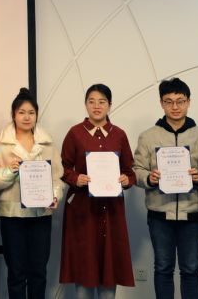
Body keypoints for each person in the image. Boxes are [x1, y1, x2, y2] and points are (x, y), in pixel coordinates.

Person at [59, 83, 136, 299]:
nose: (96, 106)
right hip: (82, 211)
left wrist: (126, 179)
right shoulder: (75, 133)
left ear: (110, 105)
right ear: (85, 104)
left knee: (110, 263)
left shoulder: (119, 135)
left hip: (111, 212)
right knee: (84, 264)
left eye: (102, 101)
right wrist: (76, 178)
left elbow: (130, 171)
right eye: (91, 101)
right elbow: (62, 168)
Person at [132, 78, 198, 299]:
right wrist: (149, 178)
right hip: (159, 213)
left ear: (189, 102)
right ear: (161, 103)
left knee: (190, 269)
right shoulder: (148, 136)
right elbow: (136, 170)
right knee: (163, 268)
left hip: (192, 213)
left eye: (180, 101)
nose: (175, 107)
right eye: (169, 101)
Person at [0, 87, 63, 299]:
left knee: (39, 272)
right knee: (16, 272)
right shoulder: (1, 144)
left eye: (31, 112)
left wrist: (55, 195)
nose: (26, 117)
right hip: (12, 215)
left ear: (36, 115)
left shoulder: (47, 143)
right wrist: (10, 171)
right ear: (13, 114)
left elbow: (57, 176)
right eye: (21, 112)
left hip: (41, 214)